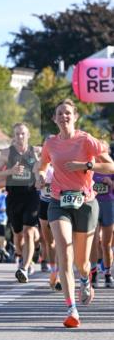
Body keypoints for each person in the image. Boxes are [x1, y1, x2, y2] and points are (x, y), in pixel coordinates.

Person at [36, 99, 114, 327]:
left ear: (75, 116)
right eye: (59, 113)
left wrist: (87, 166)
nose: (64, 117)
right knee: (64, 254)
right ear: (54, 118)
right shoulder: (50, 143)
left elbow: (110, 166)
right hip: (58, 202)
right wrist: (40, 176)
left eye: (68, 113)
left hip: (86, 203)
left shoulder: (85, 140)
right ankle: (72, 309)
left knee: (82, 261)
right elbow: (41, 165)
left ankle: (85, 279)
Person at [0, 123, 41, 283]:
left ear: (28, 135)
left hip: (31, 196)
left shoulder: (36, 151)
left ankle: (24, 267)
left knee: (29, 231)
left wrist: (40, 175)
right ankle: (22, 256)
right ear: (13, 136)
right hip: (13, 198)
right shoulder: (7, 153)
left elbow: (47, 167)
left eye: (22, 134)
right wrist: (10, 171)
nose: (20, 137)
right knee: (18, 234)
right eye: (17, 134)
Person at [37, 164, 60, 290]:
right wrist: (40, 182)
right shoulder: (41, 165)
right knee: (50, 243)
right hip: (45, 204)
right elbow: (36, 183)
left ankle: (61, 274)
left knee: (62, 241)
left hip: (60, 203)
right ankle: (53, 271)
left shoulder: (63, 159)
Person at [91, 158, 113, 288]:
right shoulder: (90, 167)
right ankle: (93, 273)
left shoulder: (111, 167)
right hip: (93, 205)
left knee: (106, 244)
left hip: (108, 205)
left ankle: (107, 274)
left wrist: (110, 182)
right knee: (93, 242)